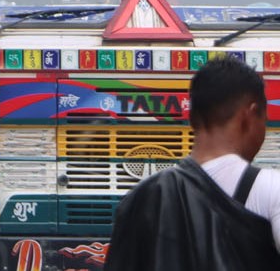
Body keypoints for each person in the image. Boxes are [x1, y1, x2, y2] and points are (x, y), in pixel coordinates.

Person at [104, 58, 280, 269]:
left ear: (191, 119)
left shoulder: (138, 199)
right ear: (249, 116)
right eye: (265, 120)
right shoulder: (272, 189)